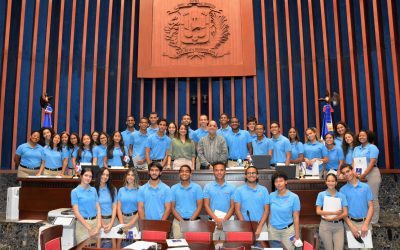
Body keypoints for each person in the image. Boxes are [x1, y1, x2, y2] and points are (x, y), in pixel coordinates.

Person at [340, 164, 374, 247]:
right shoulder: (342, 190)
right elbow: (342, 211)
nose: (346, 174)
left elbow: (371, 207)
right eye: (344, 173)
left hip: (365, 223)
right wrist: (351, 226)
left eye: (348, 171)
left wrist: (366, 224)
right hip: (350, 224)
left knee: (366, 248)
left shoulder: (366, 187)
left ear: (353, 170)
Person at [352, 130, 381, 224]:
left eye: (363, 135)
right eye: (360, 136)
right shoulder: (356, 148)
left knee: (372, 197)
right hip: (358, 175)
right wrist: (354, 172)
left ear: (368, 136)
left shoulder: (373, 147)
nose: (361, 137)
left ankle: (374, 220)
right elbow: (353, 161)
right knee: (361, 197)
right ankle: (365, 218)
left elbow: (372, 162)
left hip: (371, 174)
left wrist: (364, 174)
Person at [269, 171, 302, 250]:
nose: (278, 183)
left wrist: (297, 236)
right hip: (273, 231)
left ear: (286, 182)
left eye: (281, 181)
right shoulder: (271, 195)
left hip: (288, 231)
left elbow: (296, 217)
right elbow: (269, 213)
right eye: (276, 181)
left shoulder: (294, 197)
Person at [234, 166, 269, 238]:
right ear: (245, 176)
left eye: (253, 173)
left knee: (262, 248)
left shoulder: (264, 190)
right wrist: (245, 226)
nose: (251, 175)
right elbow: (237, 210)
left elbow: (266, 210)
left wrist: (260, 227)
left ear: (257, 175)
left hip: (261, 225)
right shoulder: (239, 190)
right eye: (249, 173)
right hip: (245, 226)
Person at [316, 173, 348, 250]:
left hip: (338, 226)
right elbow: (318, 211)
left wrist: (334, 218)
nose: (330, 183)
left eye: (333, 181)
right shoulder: (321, 194)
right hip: (325, 225)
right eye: (329, 181)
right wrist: (334, 213)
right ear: (326, 182)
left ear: (336, 182)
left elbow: (345, 213)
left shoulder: (341, 195)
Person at [203, 162, 235, 240]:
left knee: (227, 246)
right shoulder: (207, 187)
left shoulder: (232, 187)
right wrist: (217, 220)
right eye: (216, 170)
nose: (219, 172)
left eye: (221, 170)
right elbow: (206, 205)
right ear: (213, 172)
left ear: (225, 171)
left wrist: (224, 220)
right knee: (212, 246)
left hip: (228, 221)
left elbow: (232, 207)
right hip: (213, 221)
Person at [171, 165, 203, 238]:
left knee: (194, 245)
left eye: (187, 171)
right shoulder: (173, 188)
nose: (184, 173)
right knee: (178, 246)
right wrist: (182, 221)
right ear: (179, 174)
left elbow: (200, 206)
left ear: (190, 174)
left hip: (194, 221)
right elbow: (172, 207)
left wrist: (191, 221)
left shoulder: (197, 187)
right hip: (178, 222)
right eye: (182, 171)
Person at [71, 167, 101, 244]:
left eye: (90, 176)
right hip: (82, 225)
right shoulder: (75, 192)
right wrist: (89, 228)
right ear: (81, 176)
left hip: (95, 224)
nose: (88, 178)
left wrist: (98, 225)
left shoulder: (93, 190)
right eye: (86, 175)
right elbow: (76, 212)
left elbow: (98, 208)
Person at [95, 168, 117, 233]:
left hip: (112, 220)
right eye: (103, 174)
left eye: (107, 175)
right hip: (99, 220)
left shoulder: (113, 189)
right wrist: (102, 223)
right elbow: (95, 209)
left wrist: (111, 224)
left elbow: (114, 207)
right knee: (99, 242)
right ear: (99, 175)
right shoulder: (94, 190)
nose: (105, 177)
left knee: (114, 242)